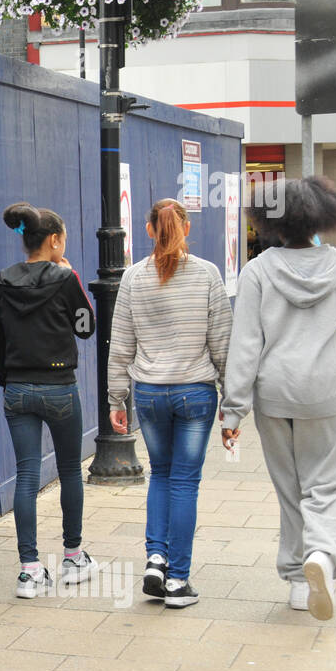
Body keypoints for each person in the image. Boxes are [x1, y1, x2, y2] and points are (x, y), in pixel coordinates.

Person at [221, 176, 336, 621]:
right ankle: (323, 556)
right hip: (326, 393)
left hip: (274, 395)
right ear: (323, 217)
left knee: (289, 488)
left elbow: (246, 344)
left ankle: (296, 580)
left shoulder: (257, 271)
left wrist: (233, 408)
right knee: (326, 485)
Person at [107, 199, 232, 608]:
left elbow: (121, 344)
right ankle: (178, 580)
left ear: (147, 230)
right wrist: (233, 405)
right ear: (187, 228)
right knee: (184, 482)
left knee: (160, 475)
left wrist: (116, 398)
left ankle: (155, 558)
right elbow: (222, 345)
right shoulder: (208, 275)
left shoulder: (132, 278)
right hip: (195, 392)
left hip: (149, 393)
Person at [0, 202, 98, 598]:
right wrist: (72, 279)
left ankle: (30, 569)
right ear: (54, 241)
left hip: (17, 388)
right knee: (70, 470)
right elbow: (86, 328)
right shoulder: (64, 278)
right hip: (59, 386)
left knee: (27, 476)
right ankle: (73, 557)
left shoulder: (3, 280)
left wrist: (9, 380)